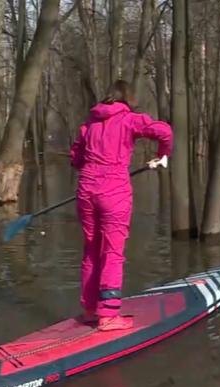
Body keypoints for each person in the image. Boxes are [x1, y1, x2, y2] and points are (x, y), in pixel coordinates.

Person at [69, 80, 173, 331]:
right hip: (114, 191)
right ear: (127, 98)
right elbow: (165, 132)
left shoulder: (89, 125)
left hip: (86, 190)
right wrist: (163, 153)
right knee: (113, 252)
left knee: (92, 250)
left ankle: (91, 310)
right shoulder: (129, 119)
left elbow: (75, 157)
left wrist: (90, 166)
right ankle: (109, 314)